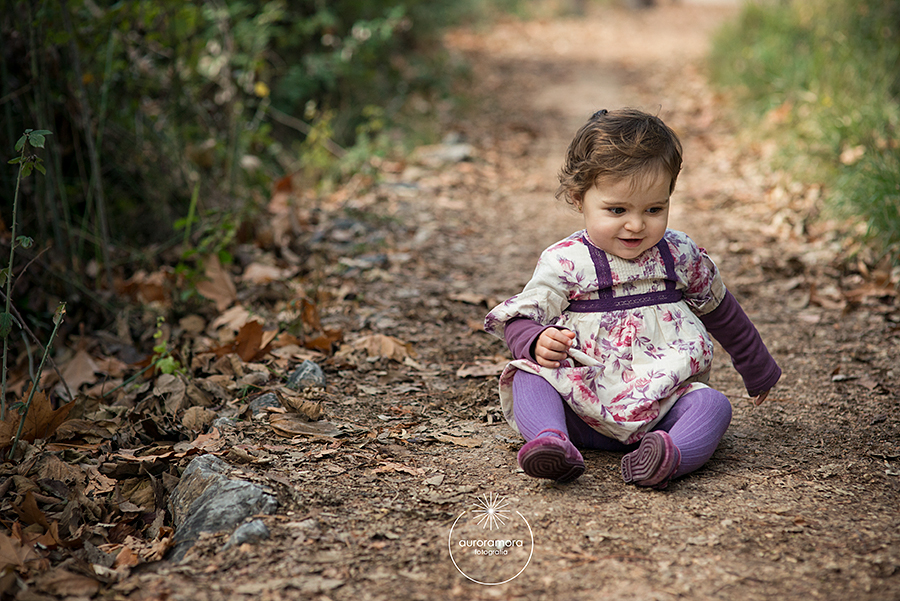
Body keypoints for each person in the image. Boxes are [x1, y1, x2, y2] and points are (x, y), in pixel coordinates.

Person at [484, 108, 781, 489]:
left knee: (713, 406)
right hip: (579, 398)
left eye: (654, 209)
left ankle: (667, 455)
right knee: (529, 377)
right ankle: (550, 441)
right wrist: (537, 341)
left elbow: (720, 309)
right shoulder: (566, 261)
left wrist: (757, 367)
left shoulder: (679, 255)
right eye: (617, 210)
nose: (637, 224)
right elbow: (521, 316)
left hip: (660, 404)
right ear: (579, 198)